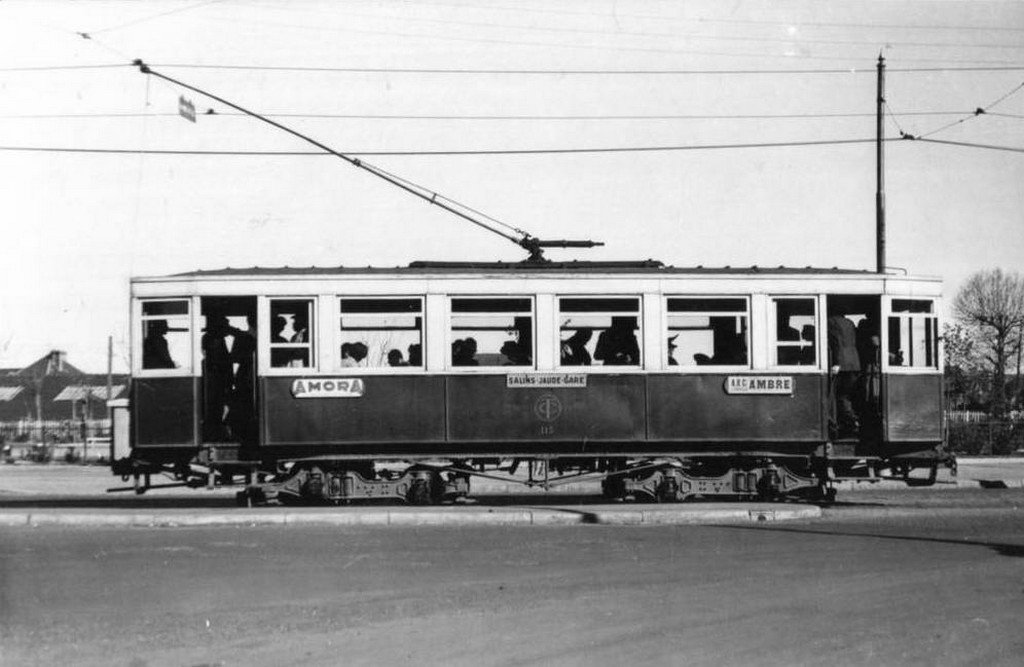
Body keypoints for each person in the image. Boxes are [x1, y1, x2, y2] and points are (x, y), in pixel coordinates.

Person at [828, 309, 861, 437]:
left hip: (842, 365)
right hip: (854, 362)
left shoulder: (831, 322)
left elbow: (836, 342)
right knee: (846, 395)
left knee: (837, 397)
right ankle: (850, 423)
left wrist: (836, 362)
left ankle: (852, 422)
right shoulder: (850, 322)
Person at [202, 314, 234, 441]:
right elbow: (220, 361)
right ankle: (216, 434)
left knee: (217, 408)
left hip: (217, 379)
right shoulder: (215, 340)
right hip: (216, 380)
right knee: (216, 408)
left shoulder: (213, 338)